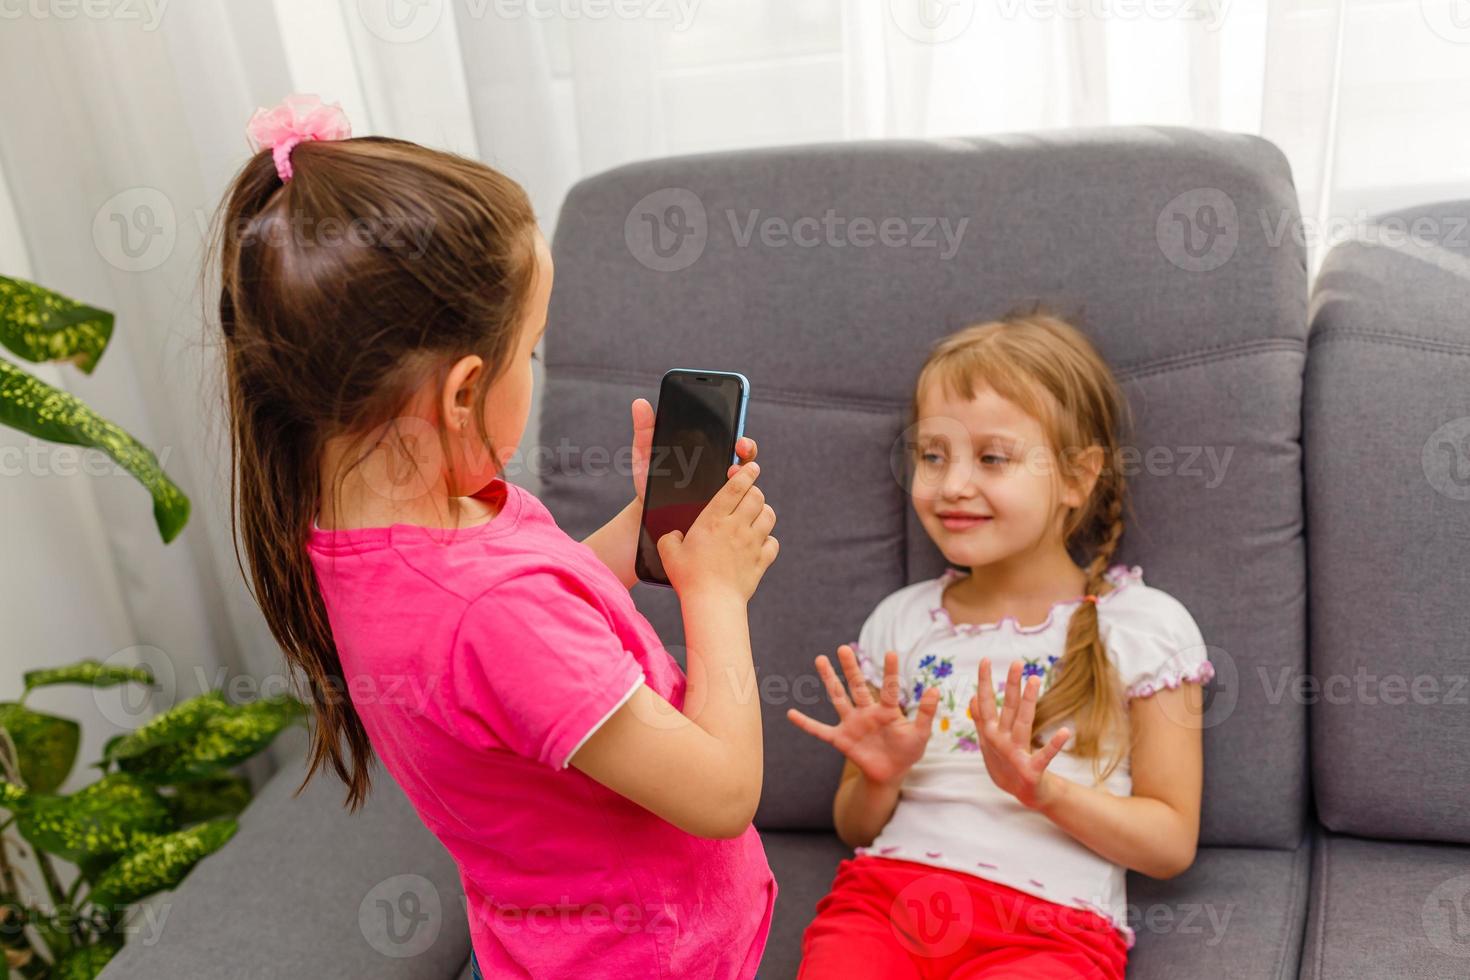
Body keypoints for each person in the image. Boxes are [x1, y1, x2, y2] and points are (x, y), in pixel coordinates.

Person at [211, 94, 780, 979]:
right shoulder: (486, 609)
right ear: (463, 391)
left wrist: (646, 530)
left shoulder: (383, 536)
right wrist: (716, 591)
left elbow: (527, 642)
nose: (541, 368)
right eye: (535, 350)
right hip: (643, 959)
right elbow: (722, 794)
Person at [788, 310, 1214, 979]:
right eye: (933, 456)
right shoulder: (901, 622)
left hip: (1051, 931)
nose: (952, 484)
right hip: (886, 905)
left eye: (992, 458)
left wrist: (1044, 792)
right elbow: (857, 830)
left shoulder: (1145, 627)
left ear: (1077, 477)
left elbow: (1169, 845)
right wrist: (881, 775)